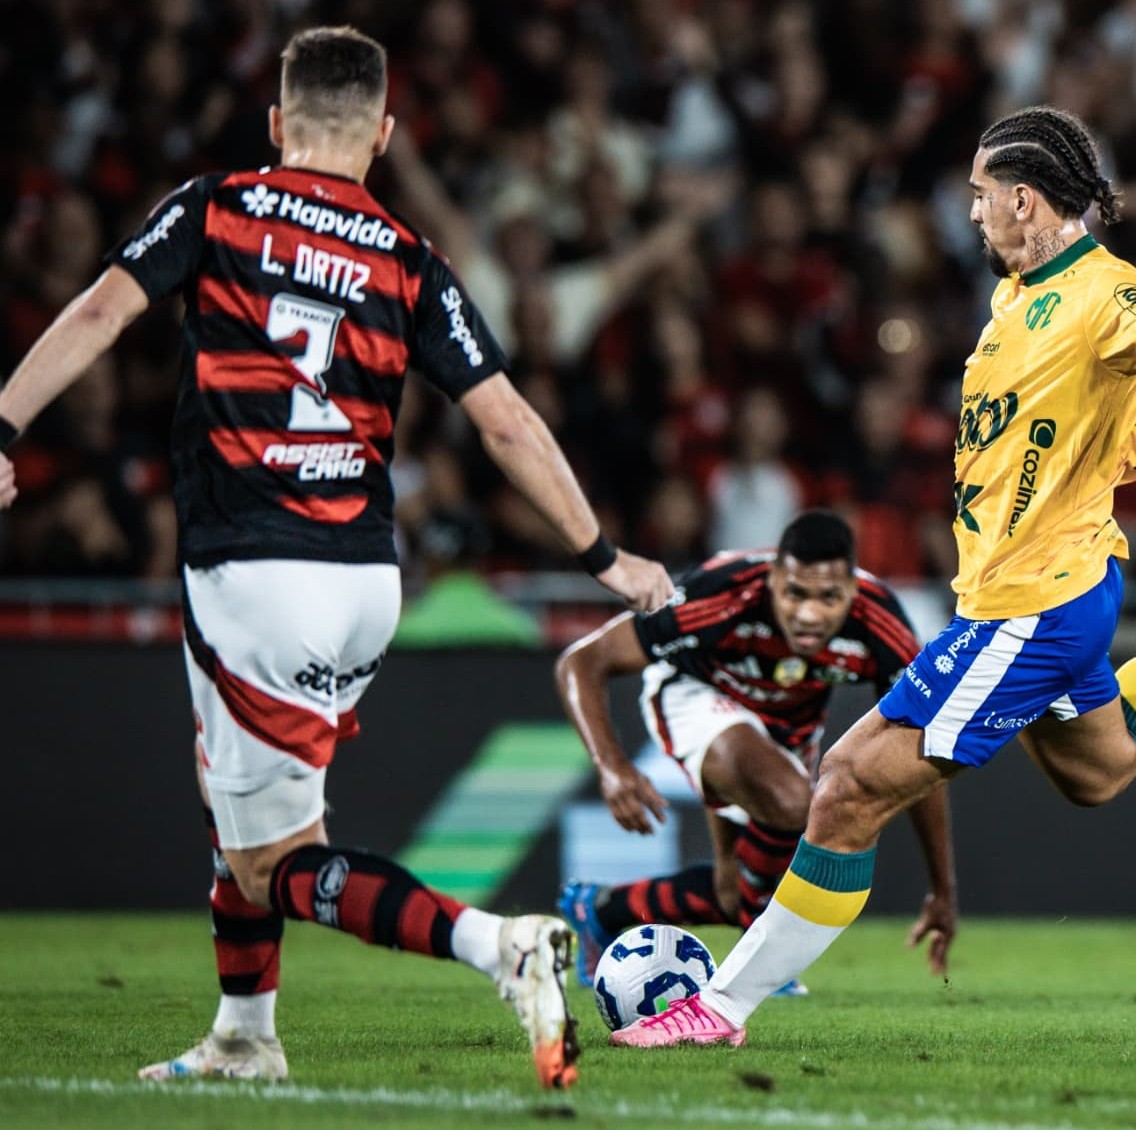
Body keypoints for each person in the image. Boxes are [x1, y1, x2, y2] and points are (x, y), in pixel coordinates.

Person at [606, 105, 1136, 1049]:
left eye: (983, 196)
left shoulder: (1104, 293)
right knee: (1099, 772)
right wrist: (1126, 442)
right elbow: (1076, 420)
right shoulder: (1016, 297)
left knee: (849, 785)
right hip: (1040, 592)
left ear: (1025, 200)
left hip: (1037, 608)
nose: (974, 212)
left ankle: (721, 1005)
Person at [0, 27, 674, 1089]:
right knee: (244, 812)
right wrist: (604, 554)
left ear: (276, 124)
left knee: (274, 863)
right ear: (384, 135)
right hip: (363, 577)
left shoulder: (216, 204)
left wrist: (2, 426)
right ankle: (244, 1033)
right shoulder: (409, 257)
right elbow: (502, 419)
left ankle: (499, 946)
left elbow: (98, 311)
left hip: (255, 570)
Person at [555, 510, 955, 995]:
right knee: (792, 803)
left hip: (789, 729)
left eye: (828, 597)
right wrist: (612, 767)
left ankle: (599, 908)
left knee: (735, 892)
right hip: (696, 693)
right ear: (773, 581)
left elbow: (922, 750)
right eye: (795, 594)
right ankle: (761, 964)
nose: (809, 614)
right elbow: (582, 661)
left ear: (852, 589)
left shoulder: (881, 621)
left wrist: (943, 889)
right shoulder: (721, 592)